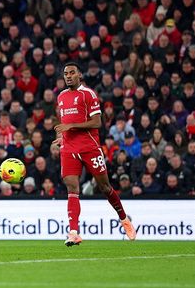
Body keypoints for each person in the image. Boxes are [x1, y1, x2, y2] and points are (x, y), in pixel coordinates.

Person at [53, 61, 136, 246]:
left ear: (79, 75)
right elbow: (67, 121)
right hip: (69, 147)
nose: (68, 76)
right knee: (72, 187)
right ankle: (74, 232)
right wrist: (63, 137)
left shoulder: (88, 94)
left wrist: (71, 126)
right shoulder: (61, 97)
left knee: (105, 187)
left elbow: (97, 122)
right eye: (65, 73)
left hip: (89, 147)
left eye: (72, 72)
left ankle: (124, 219)